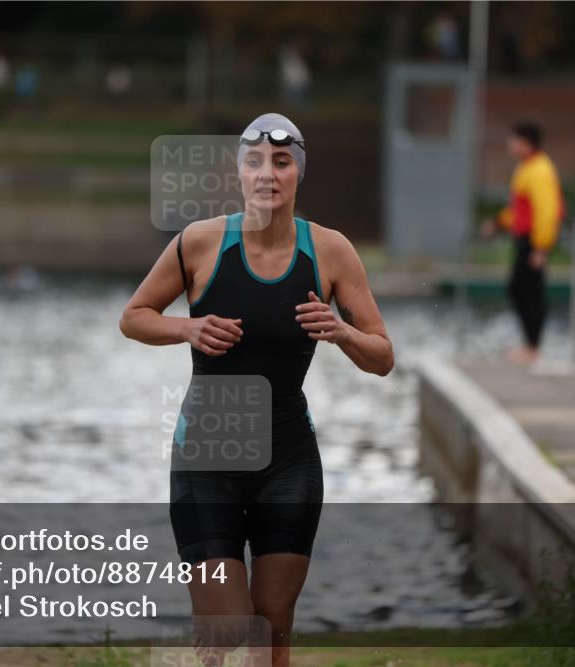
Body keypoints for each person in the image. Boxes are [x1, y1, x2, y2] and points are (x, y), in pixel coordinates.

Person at [120, 113, 393, 667]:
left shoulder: (331, 252)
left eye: (281, 162)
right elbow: (134, 316)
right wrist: (188, 328)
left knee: (271, 628)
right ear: (239, 175)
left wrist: (340, 332)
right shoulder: (198, 244)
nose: (267, 174)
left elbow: (383, 356)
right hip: (208, 456)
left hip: (288, 458)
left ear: (298, 174)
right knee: (226, 627)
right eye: (254, 163)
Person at [481, 121, 565, 365]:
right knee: (521, 289)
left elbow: (547, 211)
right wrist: (498, 224)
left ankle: (533, 347)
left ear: (527, 143)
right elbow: (518, 209)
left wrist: (541, 247)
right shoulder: (526, 168)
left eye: (515, 140)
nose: (510, 145)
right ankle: (530, 344)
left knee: (528, 291)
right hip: (525, 239)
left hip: (533, 241)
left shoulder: (540, 170)